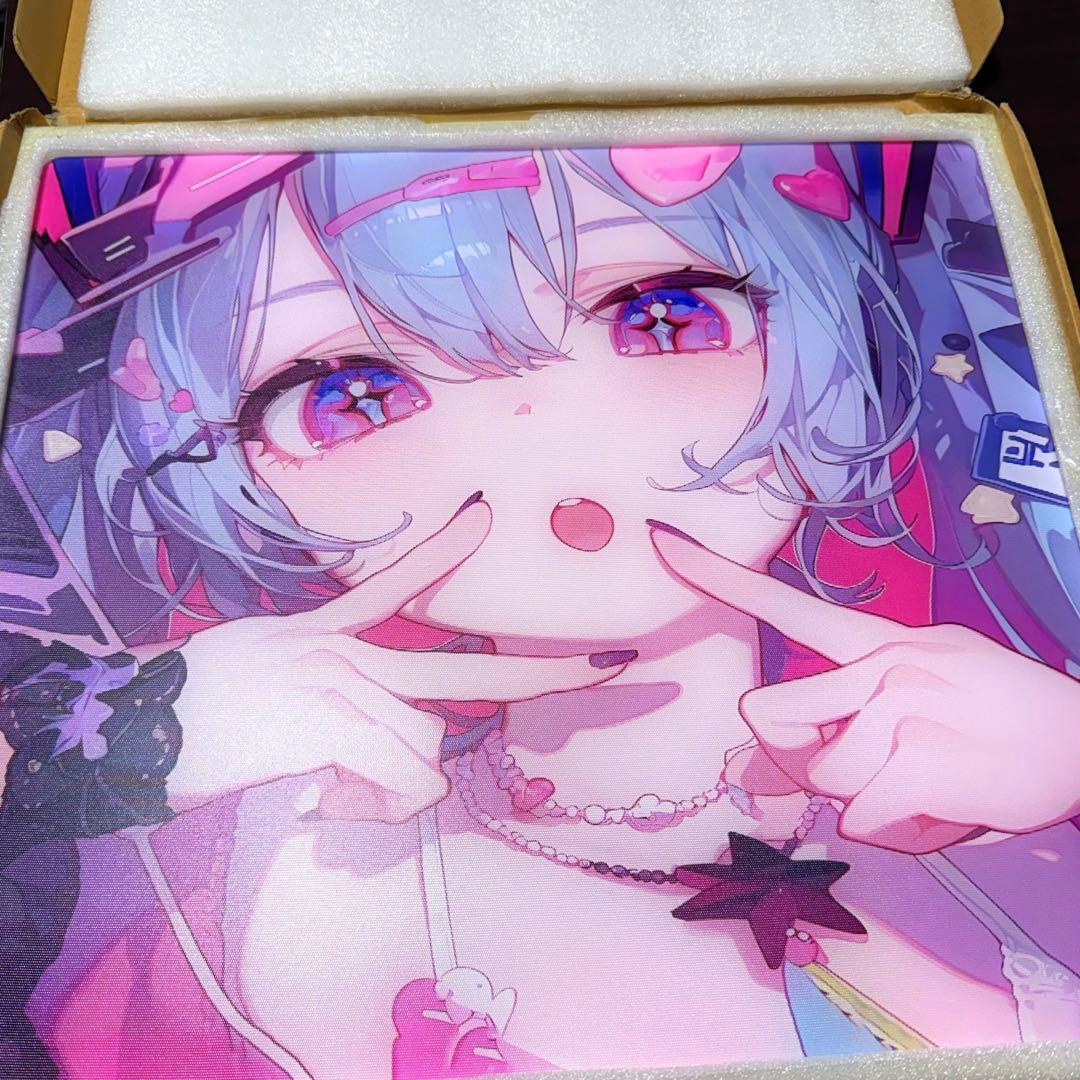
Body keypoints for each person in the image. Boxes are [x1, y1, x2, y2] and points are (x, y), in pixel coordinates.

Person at [2, 141, 1079, 1079]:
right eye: (351, 396)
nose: (550, 449)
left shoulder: (1016, 771)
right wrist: (91, 754)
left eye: (664, 316)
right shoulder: (261, 860)